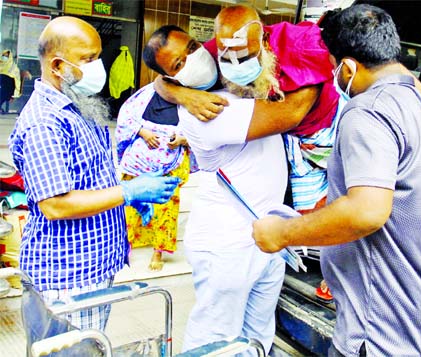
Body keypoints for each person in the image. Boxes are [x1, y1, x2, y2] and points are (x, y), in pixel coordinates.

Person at [252, 4, 421, 357]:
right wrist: (319, 213)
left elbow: (367, 211)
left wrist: (280, 234)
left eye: (332, 66)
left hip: (379, 330)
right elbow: (395, 189)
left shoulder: (368, 110)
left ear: (347, 67)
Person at [141, 25, 318, 353]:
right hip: (227, 244)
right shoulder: (205, 110)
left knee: (257, 336)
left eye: (193, 47)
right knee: (215, 341)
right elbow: (291, 113)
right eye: (179, 65)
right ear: (174, 77)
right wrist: (319, 68)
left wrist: (176, 89)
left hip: (265, 236)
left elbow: (159, 83)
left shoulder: (230, 81)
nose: (195, 59)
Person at [8, 16, 180, 331]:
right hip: (66, 278)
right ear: (57, 66)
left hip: (92, 268)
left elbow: (89, 177)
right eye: (88, 59)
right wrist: (130, 191)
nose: (98, 66)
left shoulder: (78, 105)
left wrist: (122, 200)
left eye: (98, 56)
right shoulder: (44, 122)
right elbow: (56, 205)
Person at [116, 49, 200, 270]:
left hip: (170, 164)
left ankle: (158, 253)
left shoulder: (192, 99)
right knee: (130, 206)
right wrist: (143, 132)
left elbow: (203, 134)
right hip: (138, 163)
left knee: (166, 210)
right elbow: (126, 119)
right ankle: (125, 247)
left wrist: (181, 139)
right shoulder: (145, 95)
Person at [0, 50, 21, 114]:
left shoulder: (13, 67)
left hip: (7, 89)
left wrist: (13, 95)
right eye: (3, 56)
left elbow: (15, 81)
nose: (4, 58)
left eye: (6, 56)